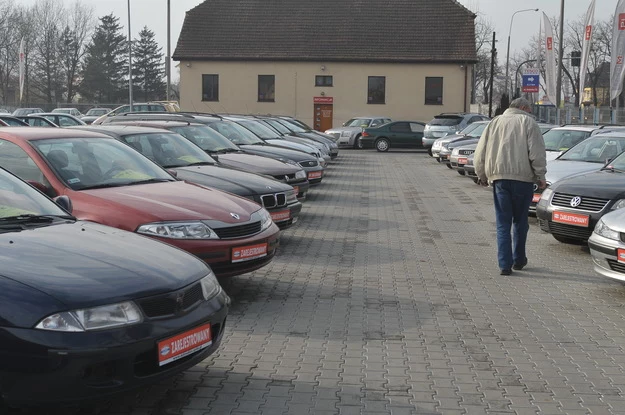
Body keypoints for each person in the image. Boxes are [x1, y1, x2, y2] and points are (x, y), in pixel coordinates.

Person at [473, 97, 547, 276]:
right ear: (523, 107)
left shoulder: (494, 123)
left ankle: (504, 264)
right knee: (521, 221)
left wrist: (481, 174)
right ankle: (518, 260)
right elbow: (536, 153)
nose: (530, 112)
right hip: (523, 180)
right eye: (529, 109)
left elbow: (480, 151)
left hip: (499, 179)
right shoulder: (528, 122)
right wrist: (541, 175)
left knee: (502, 223)